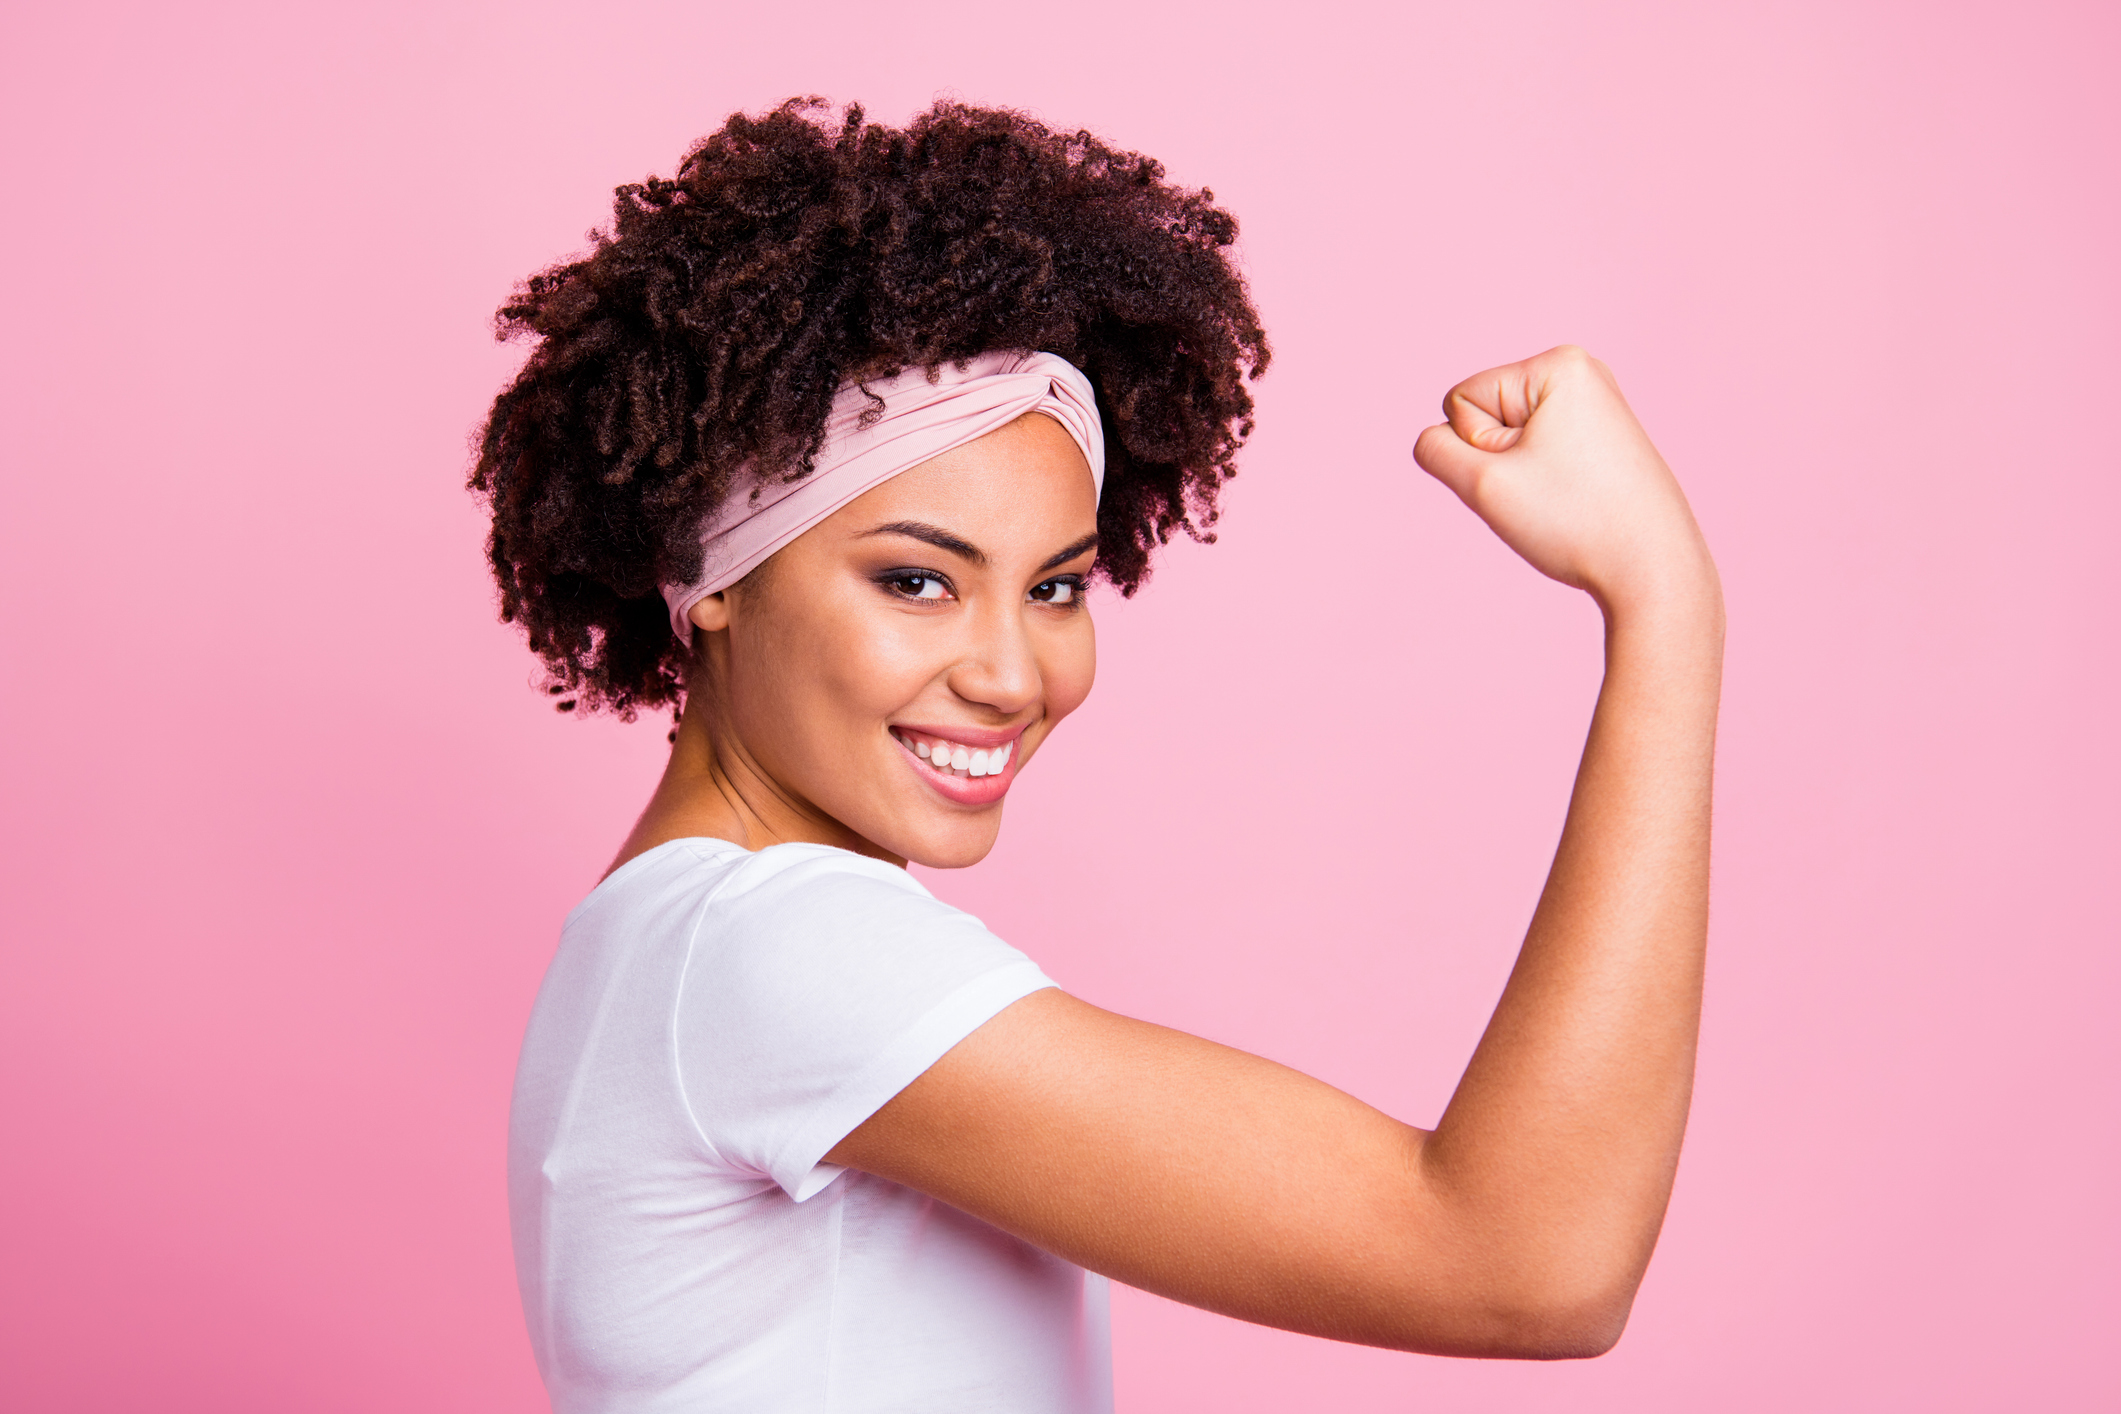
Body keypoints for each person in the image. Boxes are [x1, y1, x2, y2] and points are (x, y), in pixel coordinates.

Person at [478, 98, 1724, 1414]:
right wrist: (1663, 605)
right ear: (708, 575)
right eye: (914, 579)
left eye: (1056, 588)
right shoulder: (775, 947)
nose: (1012, 674)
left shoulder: (661, 944)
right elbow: (1525, 1260)